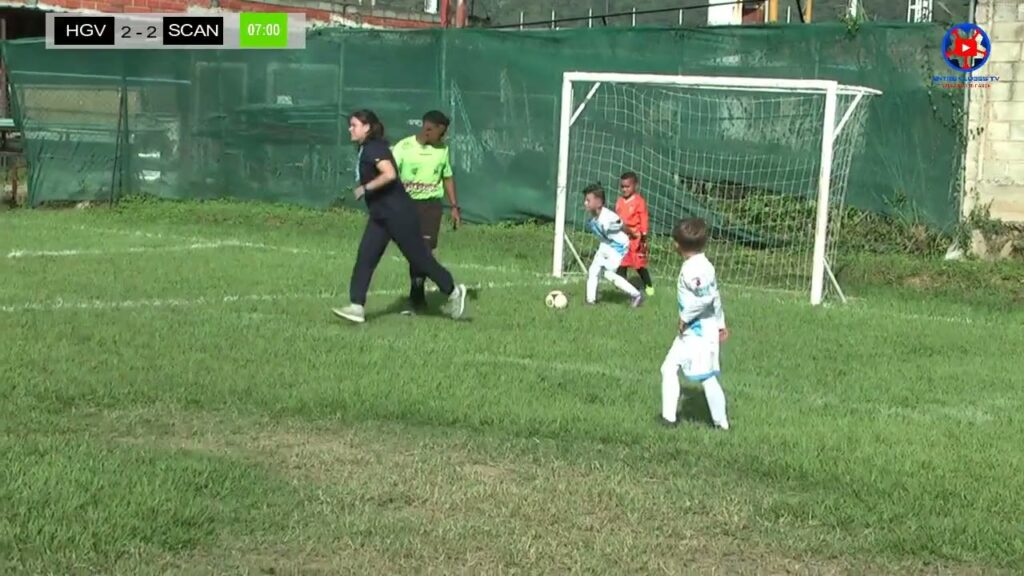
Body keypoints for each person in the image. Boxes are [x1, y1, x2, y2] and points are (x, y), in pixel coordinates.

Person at [331, 109, 467, 324]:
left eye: (354, 125)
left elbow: (389, 174)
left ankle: (453, 290)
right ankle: (356, 306)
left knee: (420, 258)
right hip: (380, 216)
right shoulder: (366, 148)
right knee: (365, 258)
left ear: (366, 128)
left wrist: (365, 188)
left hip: (398, 215)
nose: (350, 129)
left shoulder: (374, 148)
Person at [659, 217, 730, 430]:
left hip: (698, 331)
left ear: (677, 244)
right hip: (694, 330)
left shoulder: (694, 270)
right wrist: (720, 322)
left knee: (706, 377)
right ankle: (668, 419)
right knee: (668, 368)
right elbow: (715, 295)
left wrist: (685, 317)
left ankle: (722, 424)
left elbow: (705, 298)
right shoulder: (703, 264)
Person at [391, 110, 462, 315]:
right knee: (415, 253)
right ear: (429, 128)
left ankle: (419, 299)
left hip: (430, 207)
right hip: (406, 205)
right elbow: (391, 175)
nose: (444, 137)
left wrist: (455, 207)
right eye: (442, 132)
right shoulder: (403, 147)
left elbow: (447, 177)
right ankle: (428, 294)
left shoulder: (442, 150)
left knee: (423, 250)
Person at [582, 183, 644, 307]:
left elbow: (622, 226)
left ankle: (636, 295)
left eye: (588, 200)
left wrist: (633, 234)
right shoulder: (594, 217)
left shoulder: (609, 218)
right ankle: (590, 301)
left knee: (608, 274)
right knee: (593, 270)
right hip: (606, 244)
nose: (585, 203)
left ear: (599, 202)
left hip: (618, 247)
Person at [614, 171, 654, 296]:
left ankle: (648, 286)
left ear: (635, 186)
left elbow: (643, 219)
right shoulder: (620, 201)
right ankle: (623, 288)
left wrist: (643, 235)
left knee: (639, 265)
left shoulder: (639, 201)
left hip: (636, 238)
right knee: (621, 263)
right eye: (622, 186)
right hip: (622, 238)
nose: (624, 189)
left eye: (627, 186)